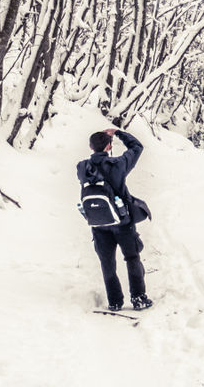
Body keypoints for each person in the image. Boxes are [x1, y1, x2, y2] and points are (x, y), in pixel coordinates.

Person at [77, 126, 153, 312]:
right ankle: (138, 298)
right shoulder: (118, 165)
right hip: (122, 222)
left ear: (90, 146)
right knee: (132, 257)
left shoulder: (82, 168)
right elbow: (136, 147)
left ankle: (115, 301)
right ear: (109, 146)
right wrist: (118, 133)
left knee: (107, 262)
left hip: (98, 222)